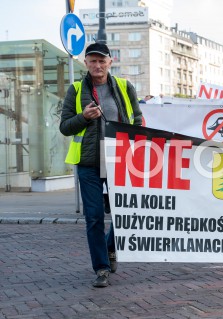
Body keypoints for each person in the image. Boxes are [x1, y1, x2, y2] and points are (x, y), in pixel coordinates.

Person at [60, 42, 143, 287]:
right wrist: (83, 117)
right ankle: (101, 268)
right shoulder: (76, 89)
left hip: (120, 160)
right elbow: (65, 127)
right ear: (85, 63)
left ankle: (110, 247)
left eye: (102, 61)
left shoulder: (125, 86)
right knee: (94, 217)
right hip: (88, 163)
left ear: (110, 62)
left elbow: (137, 121)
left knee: (125, 213)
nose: (97, 65)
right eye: (92, 61)